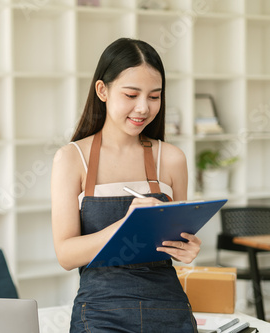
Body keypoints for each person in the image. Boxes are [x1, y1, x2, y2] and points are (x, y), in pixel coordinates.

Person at [51, 38, 201, 332]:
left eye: (154, 97)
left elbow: (177, 240)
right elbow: (66, 255)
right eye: (131, 94)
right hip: (99, 312)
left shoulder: (171, 159)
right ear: (102, 90)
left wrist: (188, 248)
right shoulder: (72, 159)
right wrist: (126, 225)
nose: (143, 108)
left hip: (168, 307)